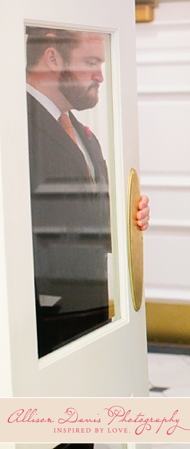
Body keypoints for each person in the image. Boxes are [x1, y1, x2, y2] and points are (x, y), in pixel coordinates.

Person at [26, 27, 149, 357]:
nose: (100, 76)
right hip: (43, 317)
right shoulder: (16, 122)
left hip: (88, 309)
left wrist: (127, 220)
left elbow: (87, 209)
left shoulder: (81, 132)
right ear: (52, 58)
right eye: (91, 62)